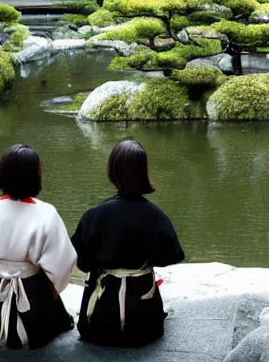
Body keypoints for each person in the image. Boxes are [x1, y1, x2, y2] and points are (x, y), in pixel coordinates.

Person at [0, 144, 77, 349]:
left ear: (2, 174)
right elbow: (63, 264)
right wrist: (52, 291)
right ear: (35, 177)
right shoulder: (47, 213)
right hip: (34, 301)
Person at [71, 140, 185, 347]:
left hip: (98, 323)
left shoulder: (94, 215)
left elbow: (82, 263)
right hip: (145, 325)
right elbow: (173, 255)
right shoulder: (156, 216)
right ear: (143, 171)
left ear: (112, 172)